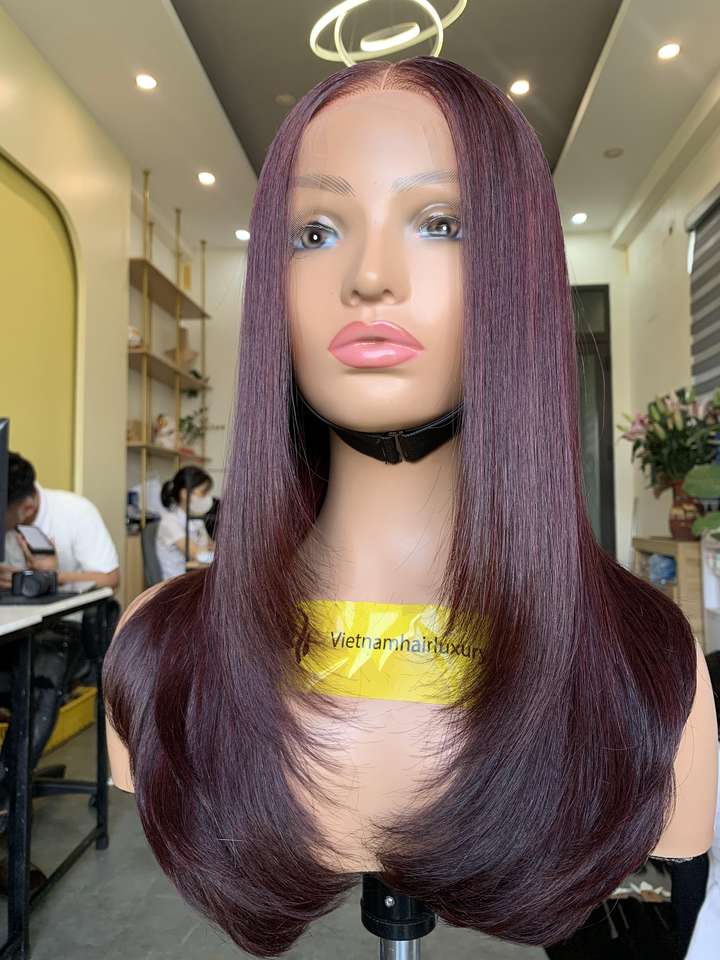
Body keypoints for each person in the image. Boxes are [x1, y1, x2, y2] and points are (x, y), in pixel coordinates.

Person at [102, 57, 717, 959]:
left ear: (519, 273)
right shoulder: (163, 657)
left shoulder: (647, 677)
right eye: (316, 232)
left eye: (441, 223)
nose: (369, 276)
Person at [0, 452, 120, 855]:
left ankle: (6, 796)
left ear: (25, 508)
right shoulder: (10, 518)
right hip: (14, 626)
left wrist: (50, 576)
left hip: (69, 630)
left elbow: (111, 577)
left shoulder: (74, 512)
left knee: (38, 685)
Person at [155, 466, 215, 580]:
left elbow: (210, 545)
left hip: (196, 578)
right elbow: (197, 555)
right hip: (178, 584)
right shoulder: (169, 522)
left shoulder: (195, 518)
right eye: (203, 493)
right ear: (184, 494)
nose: (208, 497)